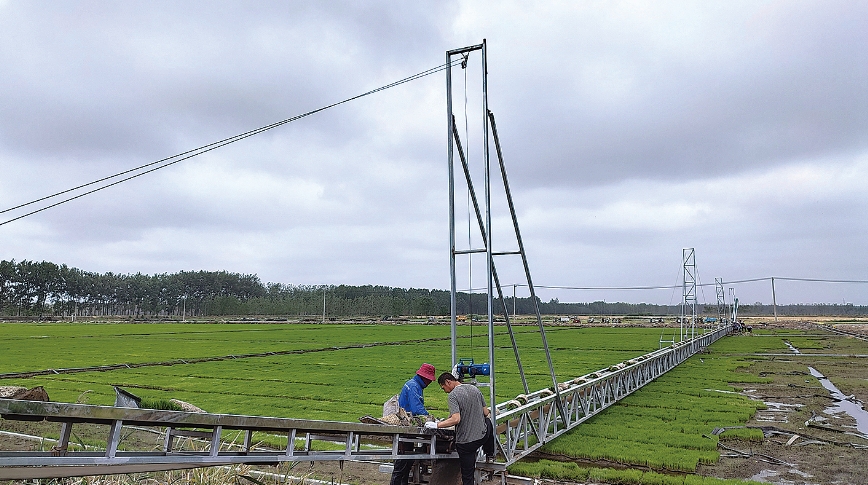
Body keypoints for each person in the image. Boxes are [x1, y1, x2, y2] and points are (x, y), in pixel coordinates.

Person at [426, 372, 490, 485]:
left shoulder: (453, 395)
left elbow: (456, 419)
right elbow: (486, 413)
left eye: (443, 388)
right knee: (488, 423)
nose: (445, 391)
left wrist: (436, 425)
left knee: (467, 475)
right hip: (481, 436)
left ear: (448, 382)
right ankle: (490, 451)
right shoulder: (474, 389)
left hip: (466, 443)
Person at [390, 363, 436, 485]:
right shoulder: (414, 386)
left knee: (407, 462)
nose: (430, 383)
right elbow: (417, 409)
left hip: (408, 428)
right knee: (402, 462)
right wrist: (430, 418)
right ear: (424, 377)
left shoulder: (414, 385)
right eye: (429, 380)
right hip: (405, 428)